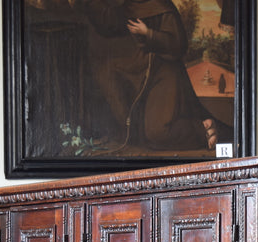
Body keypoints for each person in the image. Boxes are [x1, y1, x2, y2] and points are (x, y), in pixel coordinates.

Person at [75, 0, 219, 152]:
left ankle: (202, 130)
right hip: (139, 74)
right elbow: (109, 22)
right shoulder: (130, 6)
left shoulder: (162, 7)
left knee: (157, 133)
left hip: (164, 73)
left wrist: (148, 34)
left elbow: (178, 45)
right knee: (133, 131)